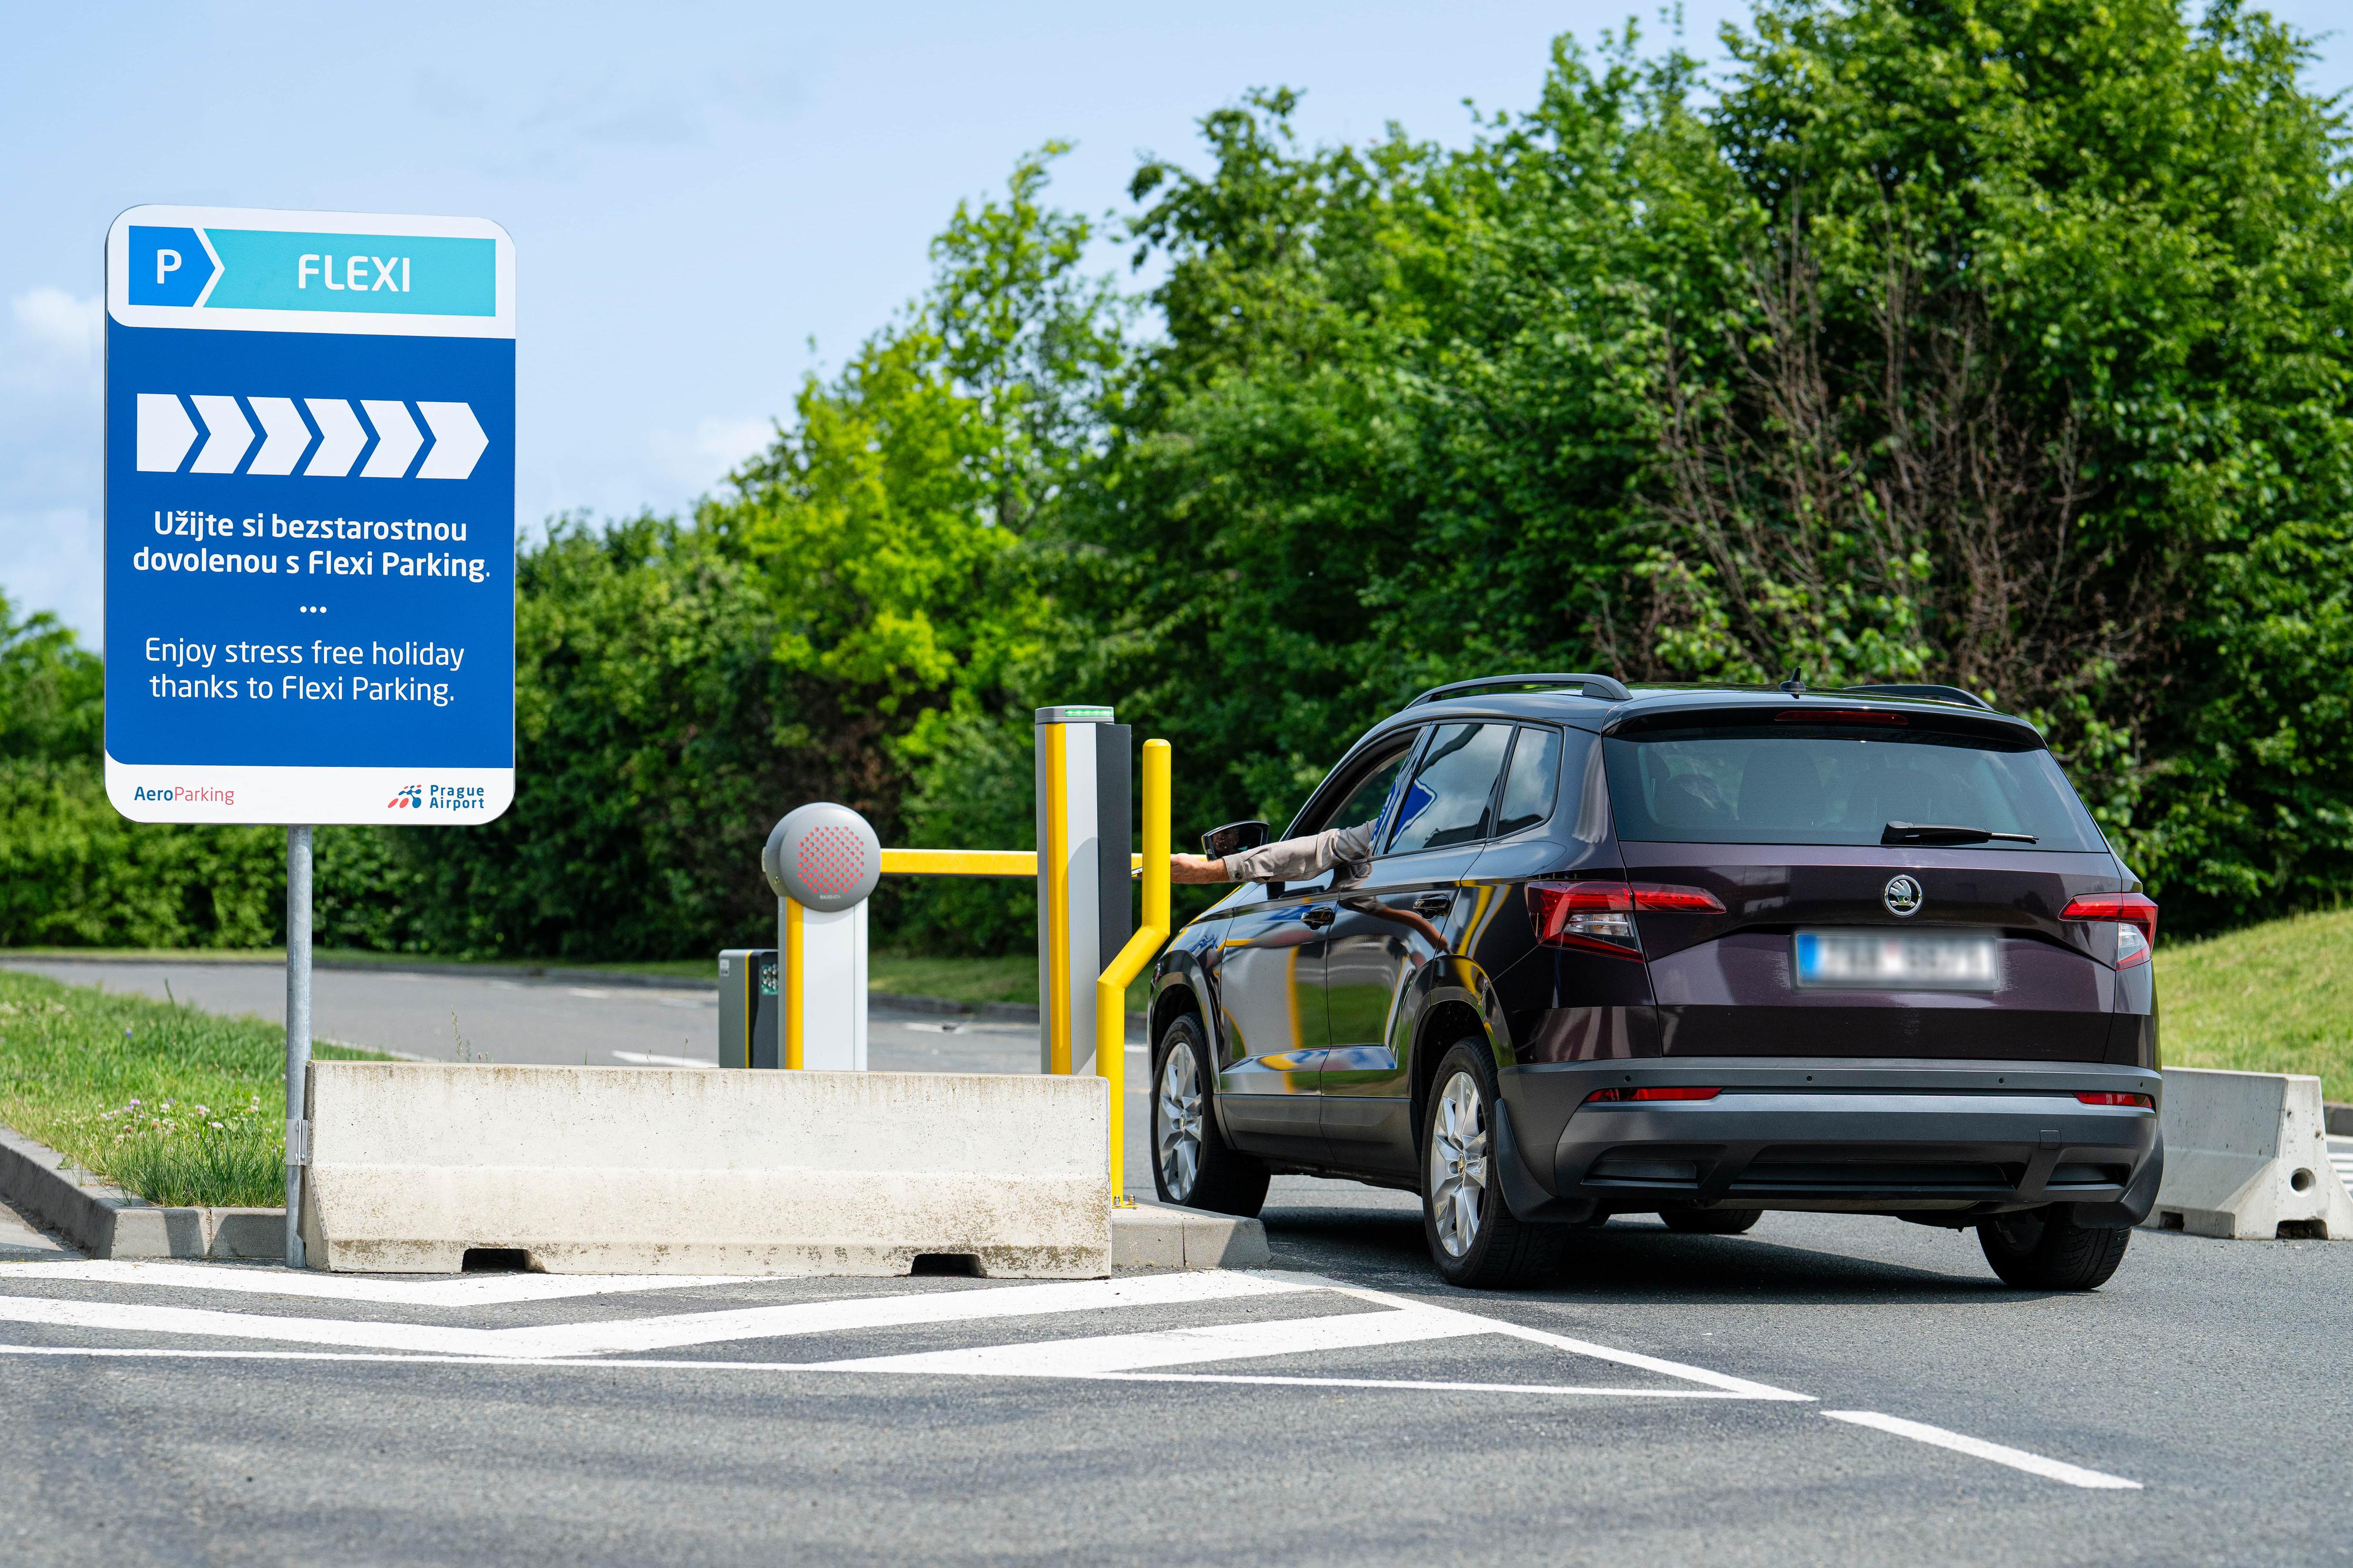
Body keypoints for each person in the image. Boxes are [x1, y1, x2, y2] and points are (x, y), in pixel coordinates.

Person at [1168, 818, 1380, 888]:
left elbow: (1327, 847)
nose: (1222, 841)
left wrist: (1207, 871)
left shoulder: (1404, 817)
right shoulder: (1408, 817)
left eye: (1230, 837)